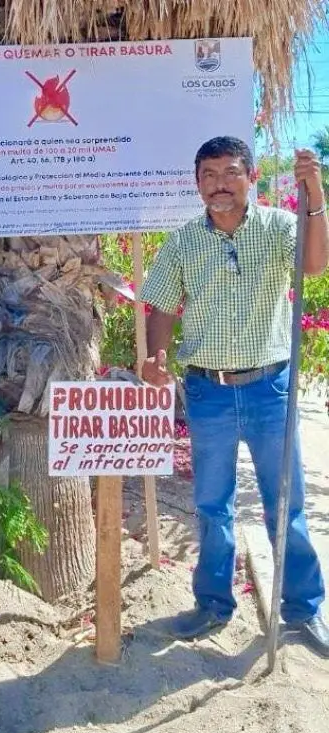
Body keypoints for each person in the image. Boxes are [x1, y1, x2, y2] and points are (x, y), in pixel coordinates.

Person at [139, 136, 329, 655]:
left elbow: (314, 265)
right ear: (196, 183)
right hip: (209, 392)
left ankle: (304, 609)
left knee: (284, 502)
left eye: (229, 173)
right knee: (211, 505)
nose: (219, 185)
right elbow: (159, 306)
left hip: (270, 387)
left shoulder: (277, 227)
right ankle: (213, 605)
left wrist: (314, 191)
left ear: (250, 178)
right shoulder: (182, 242)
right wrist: (157, 357)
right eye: (208, 175)